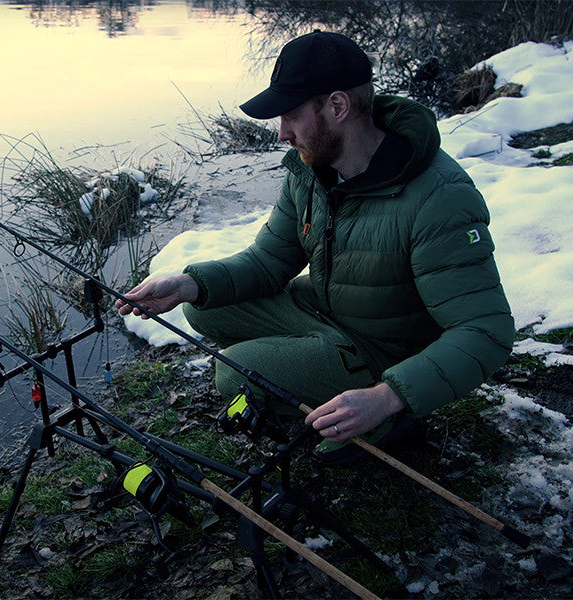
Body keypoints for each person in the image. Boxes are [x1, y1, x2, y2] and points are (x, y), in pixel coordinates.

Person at [116, 30, 515, 464]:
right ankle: (315, 368)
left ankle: (383, 417)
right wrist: (189, 284)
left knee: (233, 372)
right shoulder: (311, 170)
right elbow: (270, 260)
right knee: (201, 306)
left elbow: (485, 332)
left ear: (338, 106)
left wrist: (387, 396)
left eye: (290, 116)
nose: (282, 133)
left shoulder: (440, 197)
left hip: (384, 351)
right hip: (326, 311)